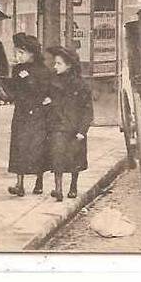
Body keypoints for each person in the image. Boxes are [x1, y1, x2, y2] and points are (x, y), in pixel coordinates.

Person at [44, 46, 93, 202]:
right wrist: (47, 102)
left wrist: (82, 130)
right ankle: (58, 189)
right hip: (57, 125)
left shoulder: (81, 85)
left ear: (69, 65)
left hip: (75, 128)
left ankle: (73, 186)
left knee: (74, 158)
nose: (55, 66)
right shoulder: (52, 82)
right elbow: (45, 98)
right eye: (55, 63)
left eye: (59, 64)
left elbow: (87, 110)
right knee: (57, 156)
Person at [6, 33, 50, 197]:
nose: (17, 56)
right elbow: (14, 91)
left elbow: (45, 92)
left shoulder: (43, 70)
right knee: (19, 146)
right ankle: (20, 183)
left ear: (32, 53)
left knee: (38, 147)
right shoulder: (17, 69)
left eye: (21, 53)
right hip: (21, 112)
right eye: (16, 53)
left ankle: (39, 182)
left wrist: (29, 79)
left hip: (38, 113)